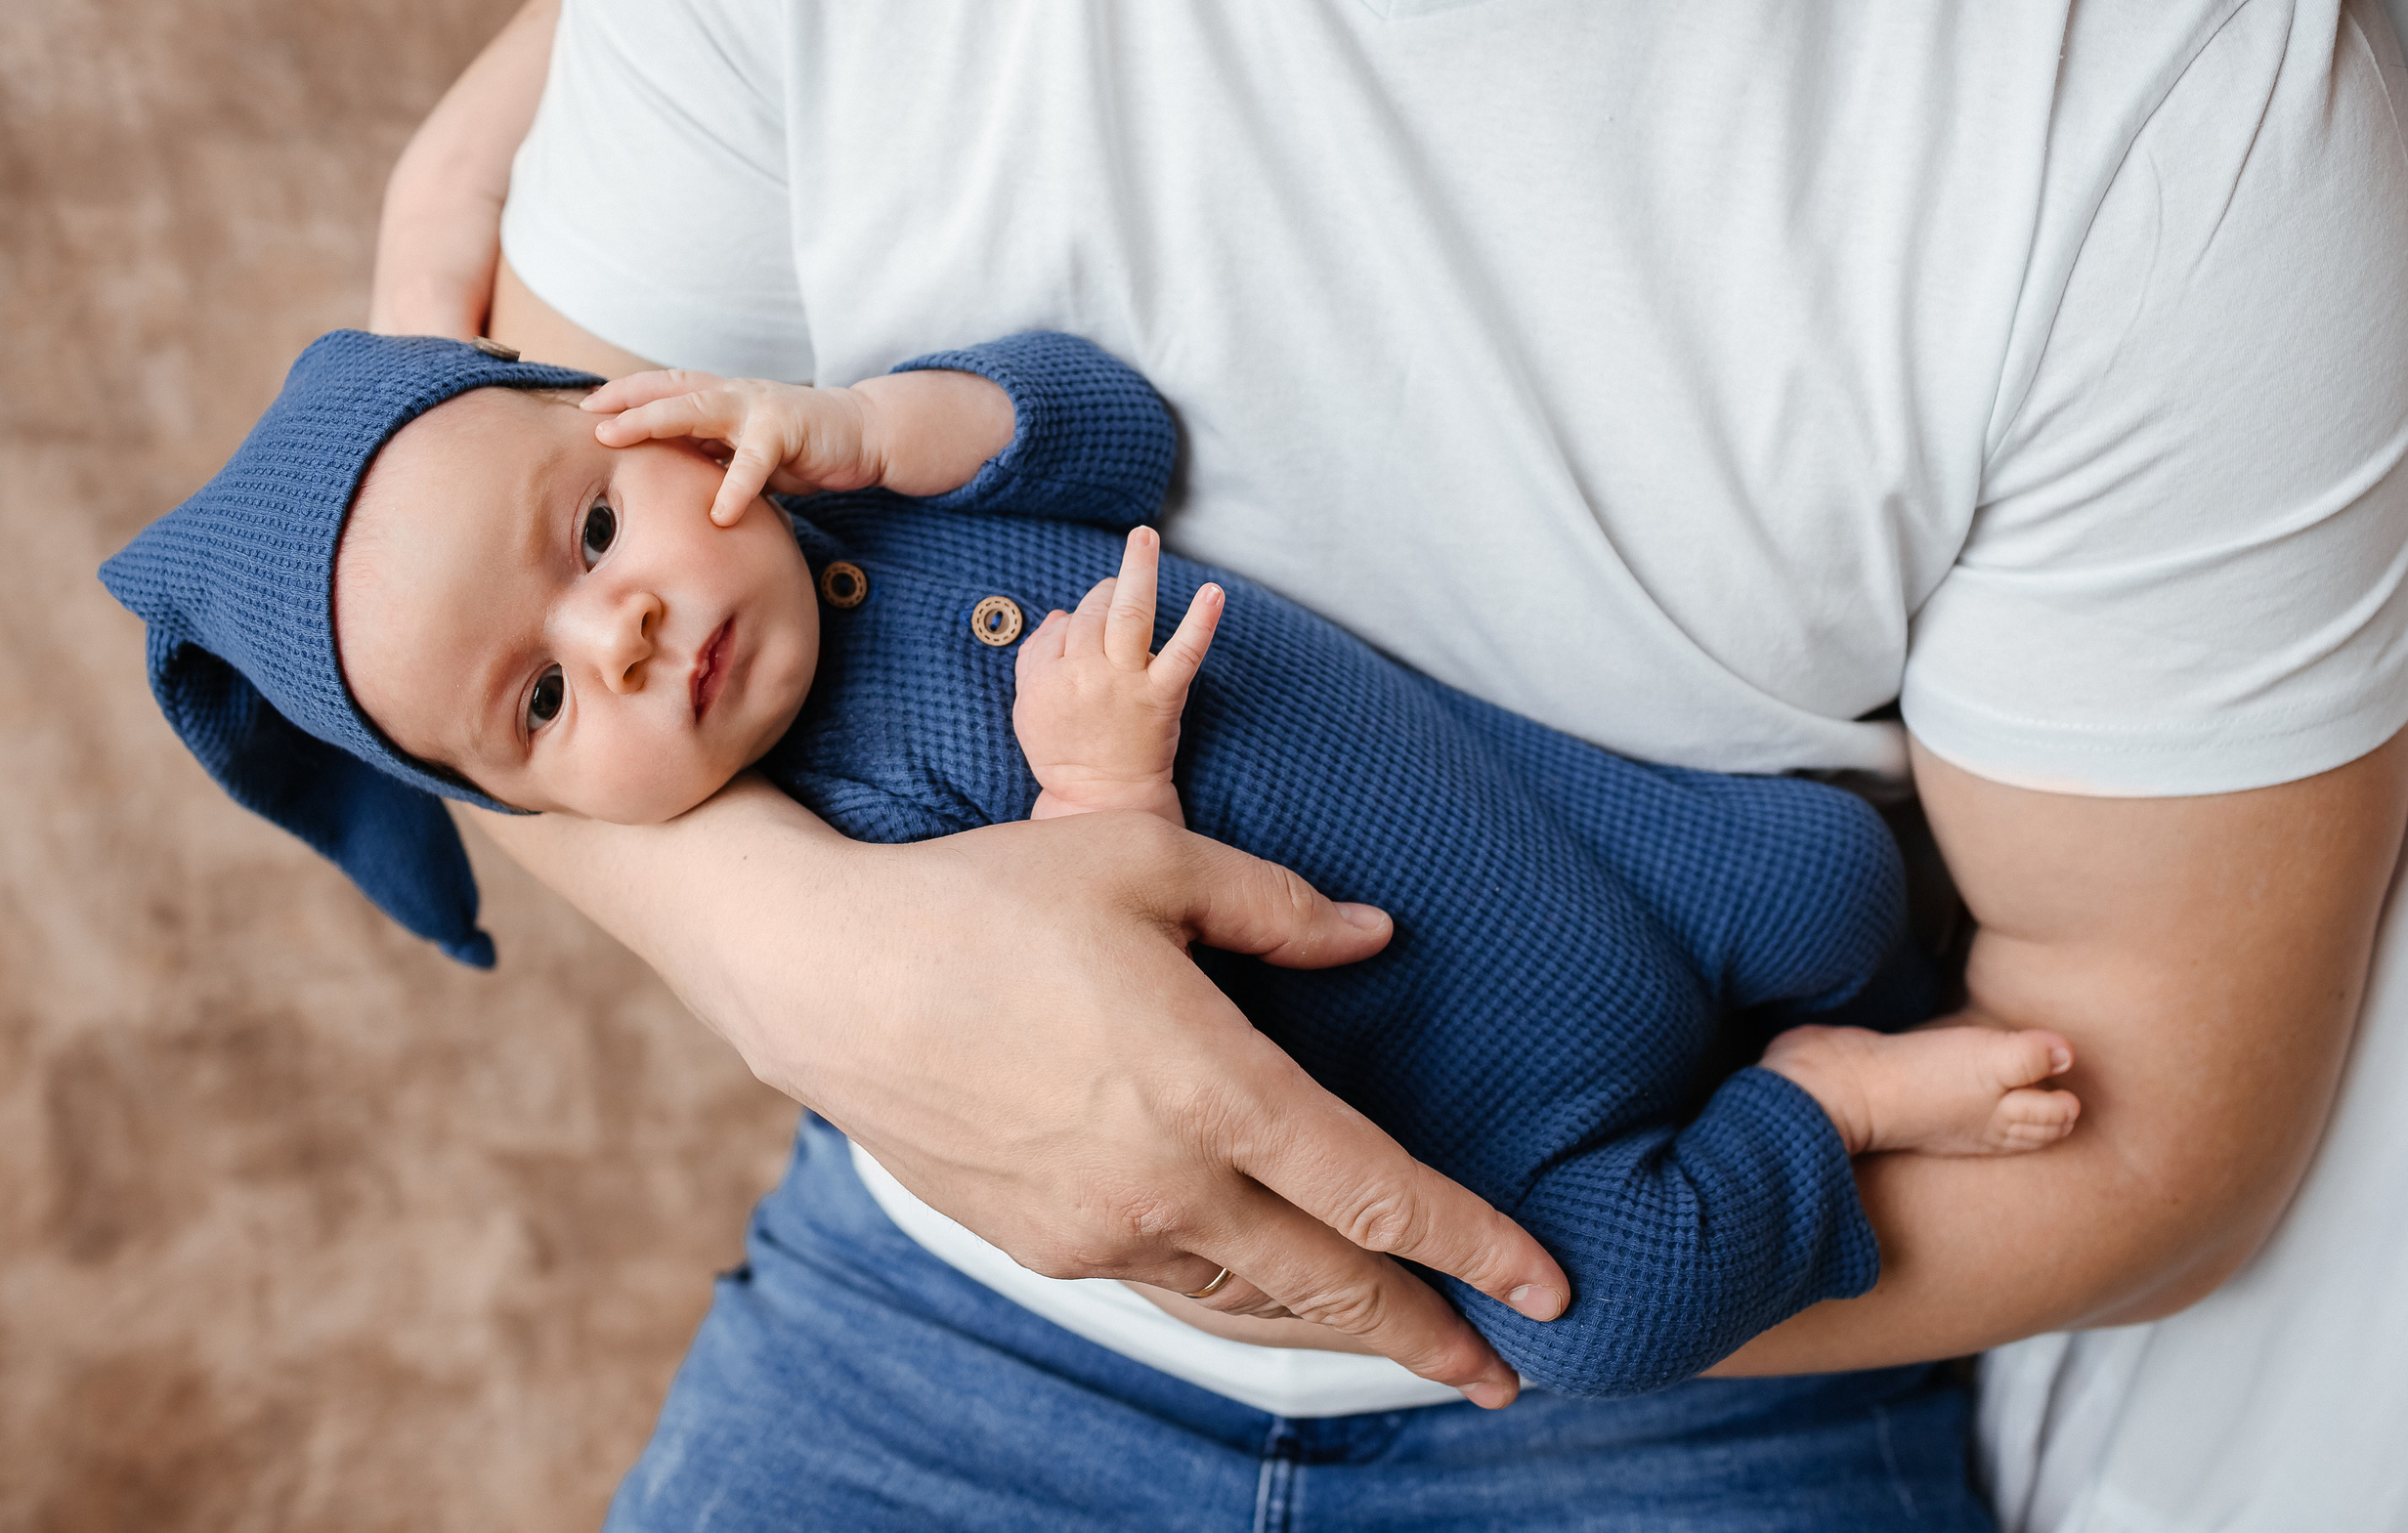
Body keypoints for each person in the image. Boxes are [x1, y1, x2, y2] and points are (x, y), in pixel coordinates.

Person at [363, 0, 2408, 1524]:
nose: (616, 619)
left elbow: (2149, 1117)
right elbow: (515, 666)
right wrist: (847, 992)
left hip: (1691, 1370)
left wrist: (1504, 1277)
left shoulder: (2151, 59)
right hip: (952, 1278)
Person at [103, 325, 2086, 1401]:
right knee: (1584, 1325)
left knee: (1832, 876)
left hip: (1584, 843)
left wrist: (878, 413)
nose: (615, 632)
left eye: (597, 525)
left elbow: (1110, 428)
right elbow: (1099, 1036)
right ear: (546, 827)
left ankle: (1823, 1007)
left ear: (651, 416)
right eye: (536, 707)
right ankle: (1804, 1114)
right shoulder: (847, 850)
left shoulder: (877, 495)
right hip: (1507, 1134)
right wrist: (1099, 804)